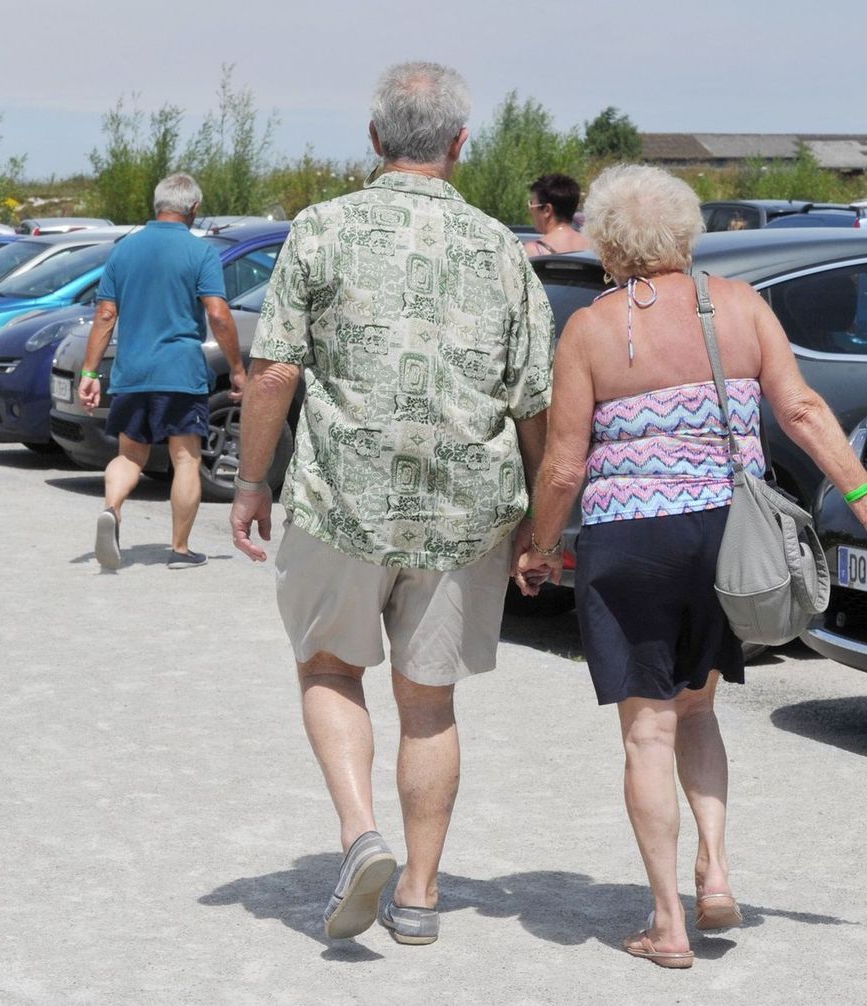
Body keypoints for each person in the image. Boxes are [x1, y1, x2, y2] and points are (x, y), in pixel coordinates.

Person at [229, 62, 555, 945]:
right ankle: (417, 894)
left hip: (341, 498)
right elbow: (534, 403)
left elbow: (275, 372)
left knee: (331, 668)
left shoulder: (320, 230)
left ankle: (357, 832)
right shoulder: (502, 248)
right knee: (430, 704)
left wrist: (252, 480)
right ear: (459, 144)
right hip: (464, 516)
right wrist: (541, 525)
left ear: (375, 140)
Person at [517, 164, 867, 969]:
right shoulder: (740, 308)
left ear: (607, 241)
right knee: (699, 712)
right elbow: (805, 411)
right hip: (724, 536)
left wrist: (538, 549)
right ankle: (716, 869)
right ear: (686, 233)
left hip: (629, 545)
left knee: (647, 735)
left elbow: (565, 468)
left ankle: (668, 924)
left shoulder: (592, 331)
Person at [78, 173, 246, 570]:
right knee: (186, 459)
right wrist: (237, 368)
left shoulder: (124, 250)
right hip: (180, 372)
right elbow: (218, 314)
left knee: (129, 455)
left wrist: (89, 373)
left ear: (156, 205)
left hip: (132, 371)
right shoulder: (200, 253)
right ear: (194, 209)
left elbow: (105, 314)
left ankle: (112, 509)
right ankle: (181, 550)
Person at [524, 174, 591, 256]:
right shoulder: (594, 248)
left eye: (531, 205)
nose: (530, 211)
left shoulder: (533, 251)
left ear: (547, 210)